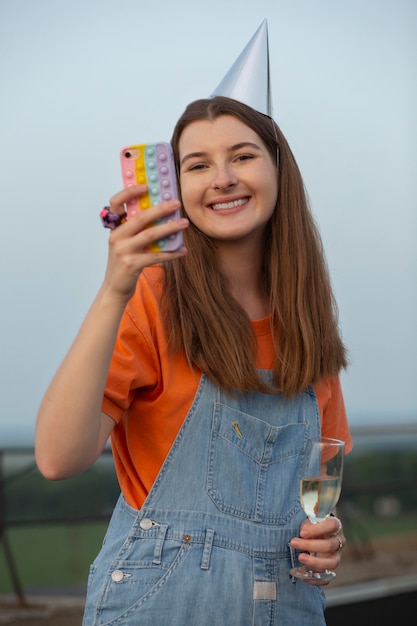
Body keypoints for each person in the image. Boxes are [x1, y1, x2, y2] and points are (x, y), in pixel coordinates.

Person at [35, 94, 352, 625]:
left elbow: (320, 487)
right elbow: (57, 459)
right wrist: (115, 289)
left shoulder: (306, 321)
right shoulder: (152, 295)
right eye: (197, 165)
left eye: (243, 156)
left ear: (280, 170)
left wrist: (326, 541)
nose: (222, 178)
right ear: (178, 187)